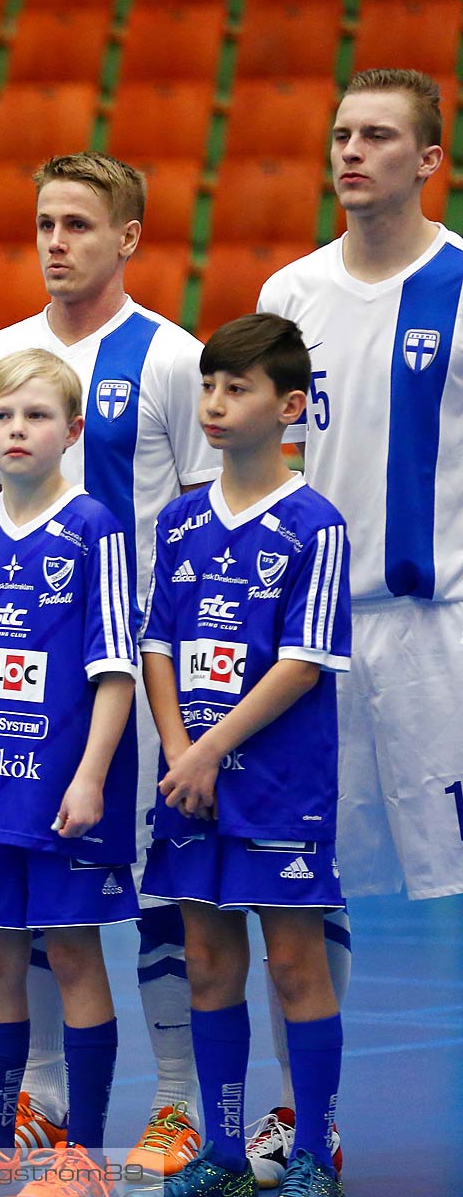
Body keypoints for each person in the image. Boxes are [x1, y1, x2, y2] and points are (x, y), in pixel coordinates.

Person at [0, 151, 220, 1176]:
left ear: (130, 238)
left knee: (157, 893)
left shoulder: (170, 356)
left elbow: (203, 524)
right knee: (20, 894)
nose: (57, 242)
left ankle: (174, 1102)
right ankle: (45, 1096)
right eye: (44, 223)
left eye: (79, 224)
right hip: (20, 687)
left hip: (139, 673)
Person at [250, 65, 454, 1182]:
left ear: (430, 160)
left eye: (379, 136)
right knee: (306, 877)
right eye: (340, 134)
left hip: (444, 638)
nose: (350, 152)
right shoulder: (291, 294)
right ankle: (305, 1115)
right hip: (316, 643)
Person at [0, 348, 139, 1197]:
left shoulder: (93, 529)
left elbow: (115, 668)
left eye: (37, 416)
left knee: (75, 956)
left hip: (61, 791)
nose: (17, 430)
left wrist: (89, 778)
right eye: (2, 416)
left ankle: (85, 1155)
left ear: (72, 430)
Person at [139, 313, 349, 1197]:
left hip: (278, 789)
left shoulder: (315, 524)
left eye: (239, 389)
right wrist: (181, 751)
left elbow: (302, 665)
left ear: (290, 406)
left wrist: (208, 751)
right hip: (192, 788)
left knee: (296, 962)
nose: (217, 405)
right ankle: (223, 1152)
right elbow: (156, 643)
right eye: (211, 388)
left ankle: (311, 1151)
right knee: (210, 957)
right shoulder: (182, 522)